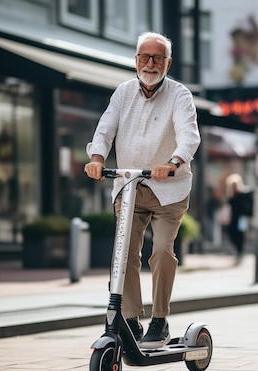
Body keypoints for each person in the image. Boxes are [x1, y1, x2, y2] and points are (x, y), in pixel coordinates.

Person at [84, 32, 201, 348]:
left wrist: (173, 161)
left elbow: (189, 136)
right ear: (136, 60)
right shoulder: (123, 93)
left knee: (161, 250)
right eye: (145, 57)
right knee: (124, 255)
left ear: (168, 63)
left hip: (169, 188)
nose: (150, 64)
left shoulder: (180, 95)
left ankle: (160, 319)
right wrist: (96, 159)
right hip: (129, 184)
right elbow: (105, 129)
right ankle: (133, 319)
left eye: (157, 58)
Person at [225, 173, 251, 265]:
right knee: (231, 234)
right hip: (232, 218)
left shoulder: (243, 194)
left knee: (240, 236)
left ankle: (240, 252)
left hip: (241, 218)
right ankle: (238, 251)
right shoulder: (231, 196)